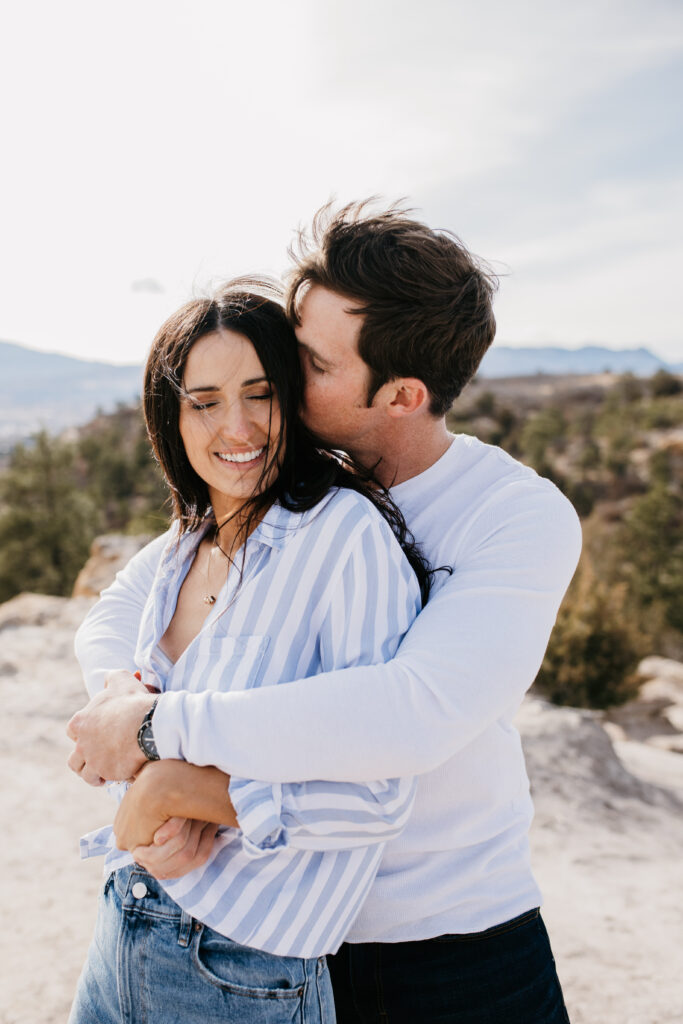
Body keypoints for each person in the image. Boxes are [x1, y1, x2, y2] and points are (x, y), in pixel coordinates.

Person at [69, 202, 582, 1023]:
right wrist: (118, 695)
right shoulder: (293, 483)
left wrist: (158, 736)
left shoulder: (512, 513)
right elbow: (125, 602)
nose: (279, 367)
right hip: (275, 932)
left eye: (307, 359)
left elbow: (411, 714)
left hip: (446, 945)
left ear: (402, 393)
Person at [67, 280, 429, 1024]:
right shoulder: (186, 543)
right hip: (122, 928)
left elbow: (378, 793)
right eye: (204, 401)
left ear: (290, 398)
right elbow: (104, 624)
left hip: (240, 973)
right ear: (171, 417)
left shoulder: (343, 537)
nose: (238, 426)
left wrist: (176, 789)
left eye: (259, 393)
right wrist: (118, 699)